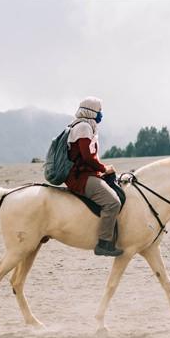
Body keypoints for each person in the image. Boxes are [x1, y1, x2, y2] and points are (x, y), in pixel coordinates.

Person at [65, 97, 124, 257]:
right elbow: (87, 157)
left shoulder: (81, 125)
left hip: (85, 173)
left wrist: (101, 169)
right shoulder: (83, 127)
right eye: (99, 111)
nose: (100, 114)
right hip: (80, 177)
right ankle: (104, 243)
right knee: (112, 203)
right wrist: (103, 168)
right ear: (91, 111)